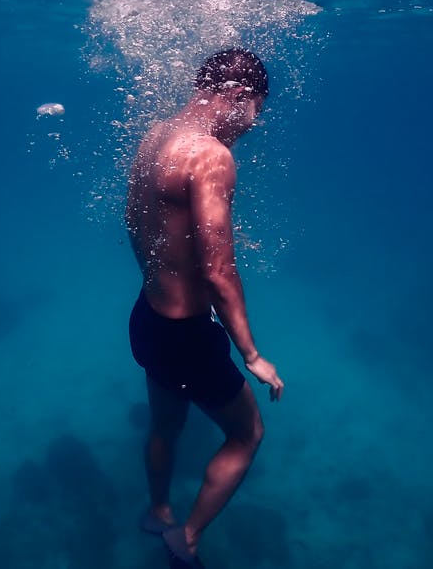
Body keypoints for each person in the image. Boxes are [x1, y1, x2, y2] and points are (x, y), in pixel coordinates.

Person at [126, 47, 285, 568]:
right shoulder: (210, 155)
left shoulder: (157, 134)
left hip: (148, 318)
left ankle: (158, 511)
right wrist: (252, 354)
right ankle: (187, 540)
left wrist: (165, 278)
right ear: (238, 96)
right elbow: (219, 273)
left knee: (165, 426)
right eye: (255, 113)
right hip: (188, 337)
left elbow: (136, 220)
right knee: (247, 433)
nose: (251, 127)